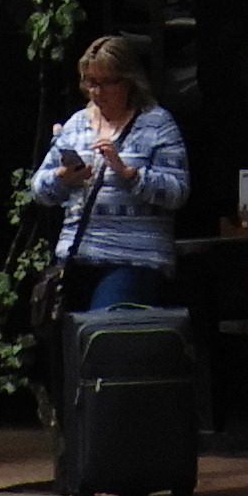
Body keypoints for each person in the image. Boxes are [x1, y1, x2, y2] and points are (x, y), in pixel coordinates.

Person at [26, 31, 190, 314]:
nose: (96, 92)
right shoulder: (76, 125)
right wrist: (63, 178)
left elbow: (178, 192)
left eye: (106, 83)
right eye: (90, 82)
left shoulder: (157, 124)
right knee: (76, 338)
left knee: (105, 331)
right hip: (76, 259)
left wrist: (129, 173)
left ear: (129, 82)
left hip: (134, 260)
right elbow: (39, 189)